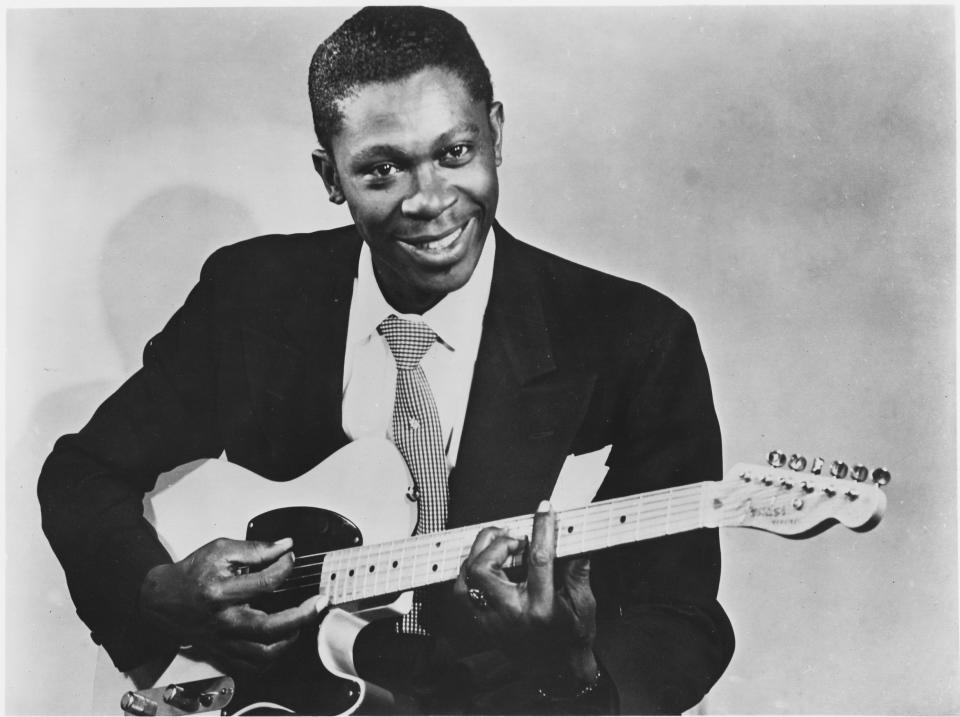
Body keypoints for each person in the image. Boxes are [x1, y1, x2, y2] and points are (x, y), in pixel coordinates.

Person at [38, 7, 734, 714]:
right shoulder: (252, 294)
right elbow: (81, 473)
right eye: (382, 169)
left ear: (495, 133)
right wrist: (162, 594)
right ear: (330, 176)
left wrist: (571, 669)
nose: (430, 201)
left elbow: (679, 618)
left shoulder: (635, 337)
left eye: (456, 153)